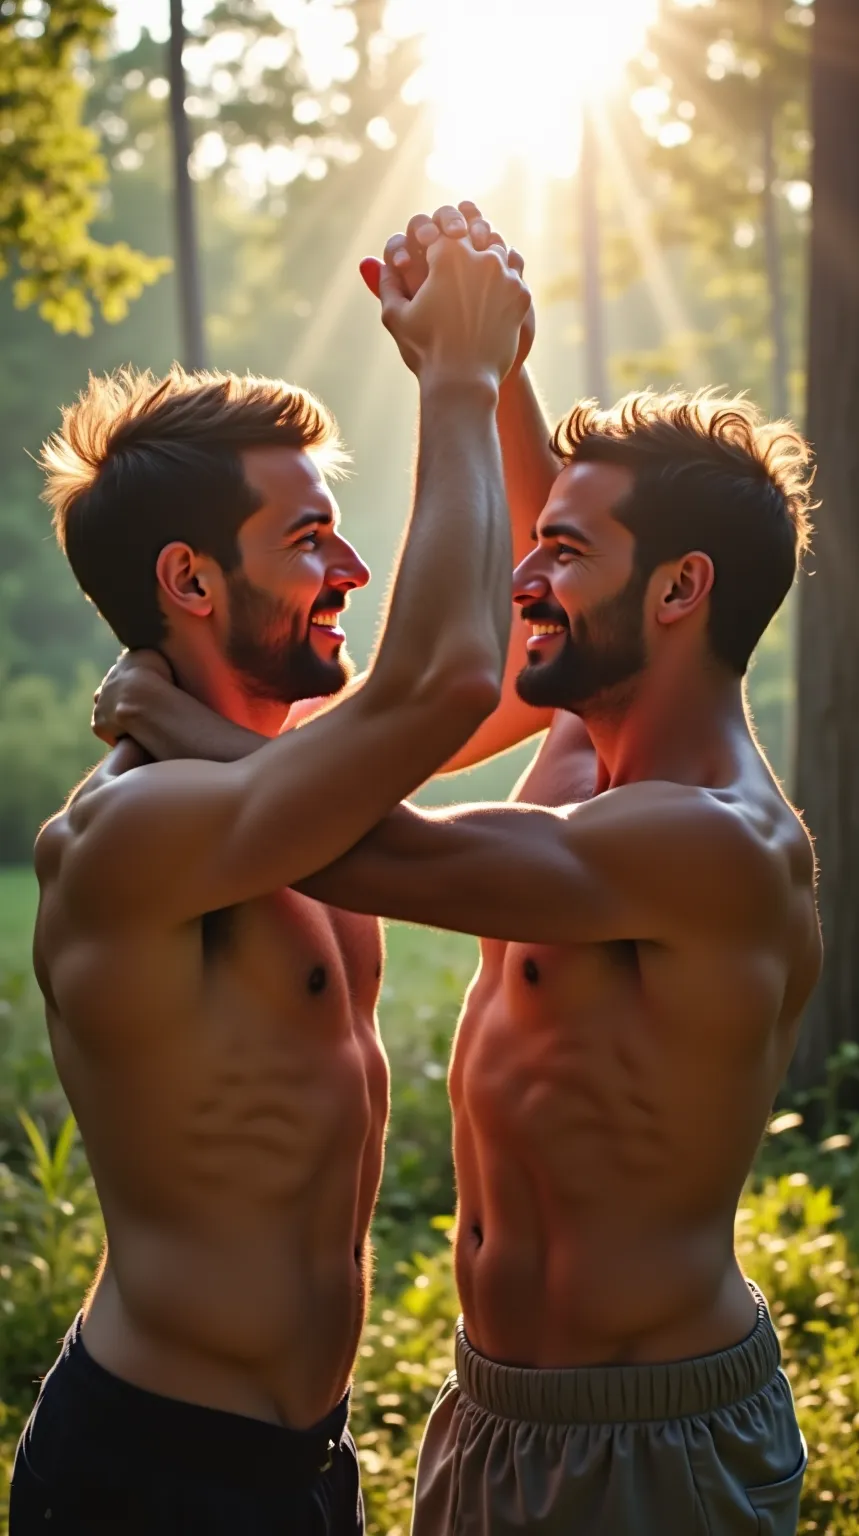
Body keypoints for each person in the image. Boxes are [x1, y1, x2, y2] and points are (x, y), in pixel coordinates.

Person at [85, 205, 822, 1536]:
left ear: (677, 595)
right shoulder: (576, 754)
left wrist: (192, 729)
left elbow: (371, 825)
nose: (527, 577)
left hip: (648, 1440)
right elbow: (514, 599)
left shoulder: (713, 841)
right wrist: (502, 347)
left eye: (568, 560)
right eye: (538, 547)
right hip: (462, 1420)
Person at [9, 231, 531, 1536]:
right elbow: (450, 677)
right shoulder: (129, 835)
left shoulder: (296, 767)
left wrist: (502, 366)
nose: (349, 572)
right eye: (310, 540)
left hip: (304, 1463)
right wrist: (450, 384)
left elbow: (518, 653)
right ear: (188, 579)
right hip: (152, 1474)